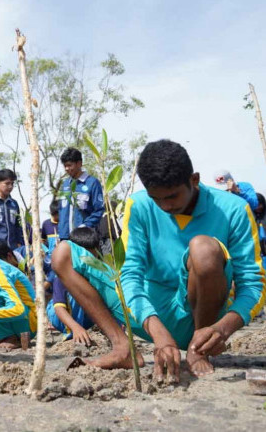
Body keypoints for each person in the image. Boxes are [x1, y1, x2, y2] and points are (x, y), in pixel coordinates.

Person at [52, 139, 266, 381]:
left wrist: (222, 328)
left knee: (203, 248)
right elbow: (130, 274)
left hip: (202, 321)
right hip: (149, 314)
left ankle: (198, 350)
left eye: (172, 196)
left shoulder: (233, 209)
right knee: (64, 254)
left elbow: (253, 286)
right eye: (157, 198)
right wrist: (157, 331)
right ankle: (122, 348)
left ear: (194, 180)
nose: (165, 206)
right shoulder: (140, 204)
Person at [46, 227, 96, 344]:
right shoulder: (64, 274)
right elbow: (59, 307)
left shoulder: (99, 270)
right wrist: (75, 327)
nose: (87, 261)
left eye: (91, 256)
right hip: (60, 316)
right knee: (78, 291)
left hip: (86, 317)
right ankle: (71, 333)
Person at [57, 148, 104, 240]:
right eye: (65, 166)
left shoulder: (92, 183)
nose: (67, 169)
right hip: (65, 238)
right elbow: (61, 211)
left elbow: (98, 210)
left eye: (69, 165)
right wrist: (61, 234)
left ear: (79, 163)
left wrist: (84, 227)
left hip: (84, 238)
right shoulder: (65, 185)